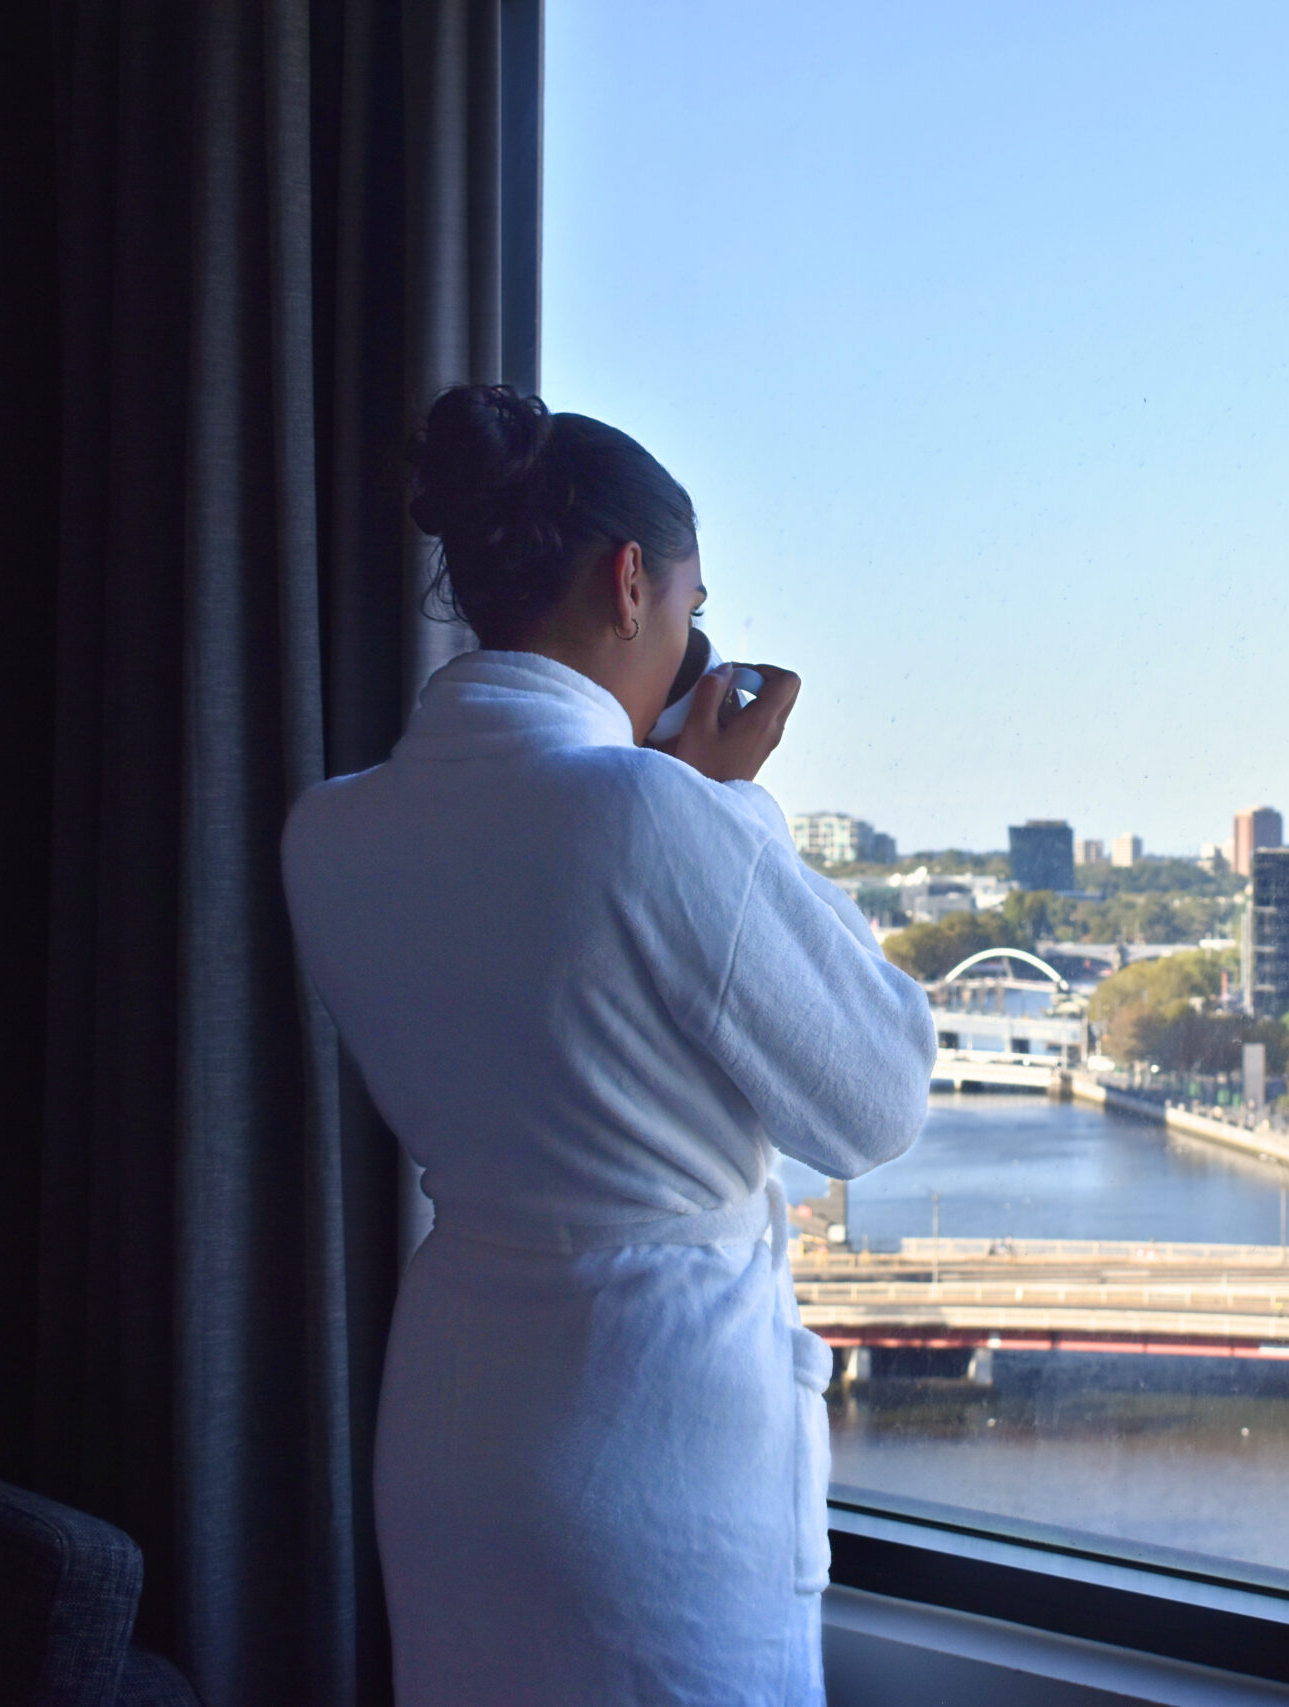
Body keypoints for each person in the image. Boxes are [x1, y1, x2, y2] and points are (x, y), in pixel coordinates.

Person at [283, 385, 933, 1705]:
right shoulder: (652, 817)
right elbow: (875, 1100)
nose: (691, 639)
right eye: (692, 608)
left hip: (453, 1424)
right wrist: (726, 807)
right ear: (631, 585)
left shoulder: (329, 829)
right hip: (654, 1448)